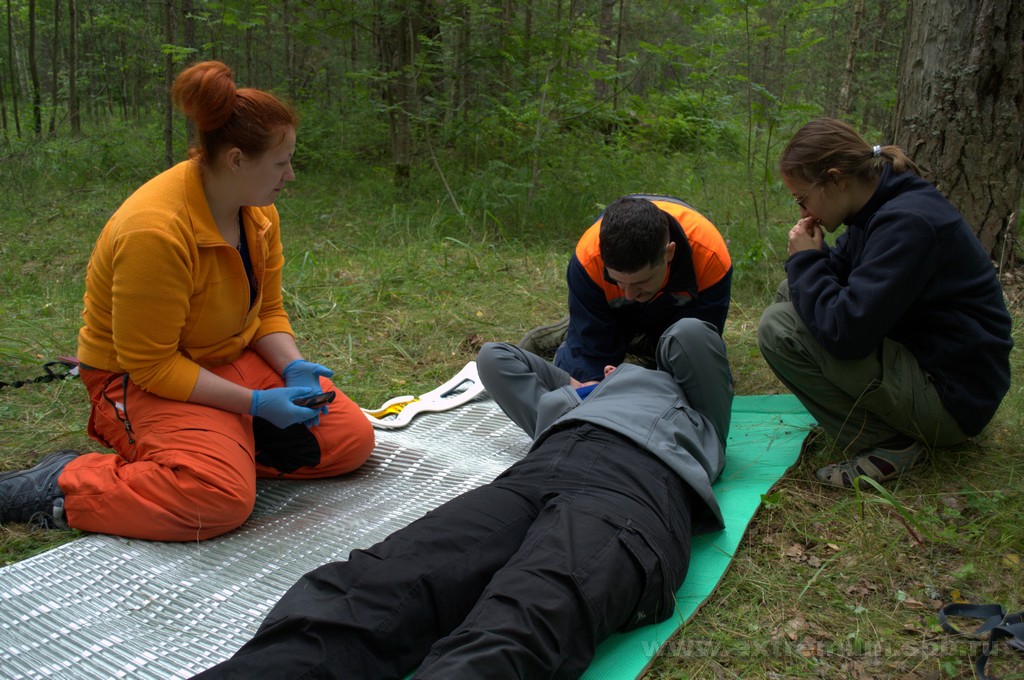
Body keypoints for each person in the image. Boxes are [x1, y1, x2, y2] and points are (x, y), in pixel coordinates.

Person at [192, 317, 733, 679]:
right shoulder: (566, 401)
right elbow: (498, 359)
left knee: (522, 618)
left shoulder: (698, 413)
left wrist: (635, 373)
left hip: (635, 484)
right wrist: (585, 387)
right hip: (534, 474)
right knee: (379, 585)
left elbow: (690, 336)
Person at [0, 61, 375, 540]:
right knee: (214, 501)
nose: (291, 175)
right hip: (138, 381)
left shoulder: (257, 213)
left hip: (223, 358)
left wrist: (292, 366)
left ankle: (220, 442)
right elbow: (152, 366)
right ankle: (62, 483)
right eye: (281, 163)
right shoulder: (155, 232)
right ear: (236, 160)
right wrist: (255, 404)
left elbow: (266, 312)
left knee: (348, 441)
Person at [757, 118, 1013, 488]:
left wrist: (806, 260)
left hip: (953, 399)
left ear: (836, 179)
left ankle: (888, 445)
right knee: (790, 293)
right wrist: (809, 264)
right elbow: (838, 279)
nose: (803, 212)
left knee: (778, 328)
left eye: (802, 197)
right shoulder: (876, 207)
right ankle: (885, 428)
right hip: (933, 366)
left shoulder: (906, 223)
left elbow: (846, 333)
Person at [520, 194, 732, 383]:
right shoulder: (588, 259)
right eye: (619, 282)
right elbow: (590, 360)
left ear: (669, 253)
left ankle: (636, 338)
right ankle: (577, 328)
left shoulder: (709, 256)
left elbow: (701, 344)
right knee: (580, 373)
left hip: (675, 315)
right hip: (612, 313)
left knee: (695, 373)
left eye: (641, 281)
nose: (629, 294)